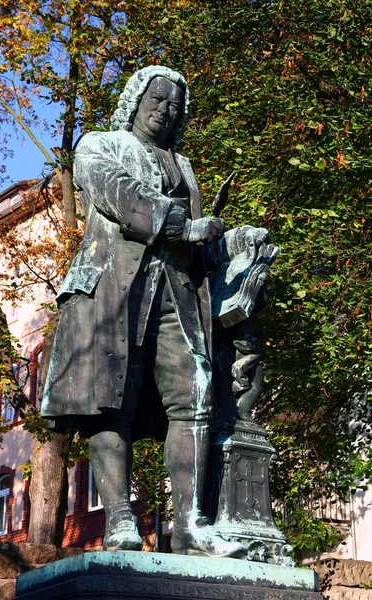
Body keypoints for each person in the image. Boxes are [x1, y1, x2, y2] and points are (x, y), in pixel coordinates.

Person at [42, 66, 261, 557]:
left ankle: (189, 524)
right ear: (136, 99)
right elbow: (120, 196)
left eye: (175, 105)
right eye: (157, 99)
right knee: (109, 401)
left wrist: (231, 241)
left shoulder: (184, 166)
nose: (165, 110)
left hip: (177, 295)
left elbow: (201, 247)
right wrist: (182, 225)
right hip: (112, 293)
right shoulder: (100, 145)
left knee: (195, 394)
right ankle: (119, 518)